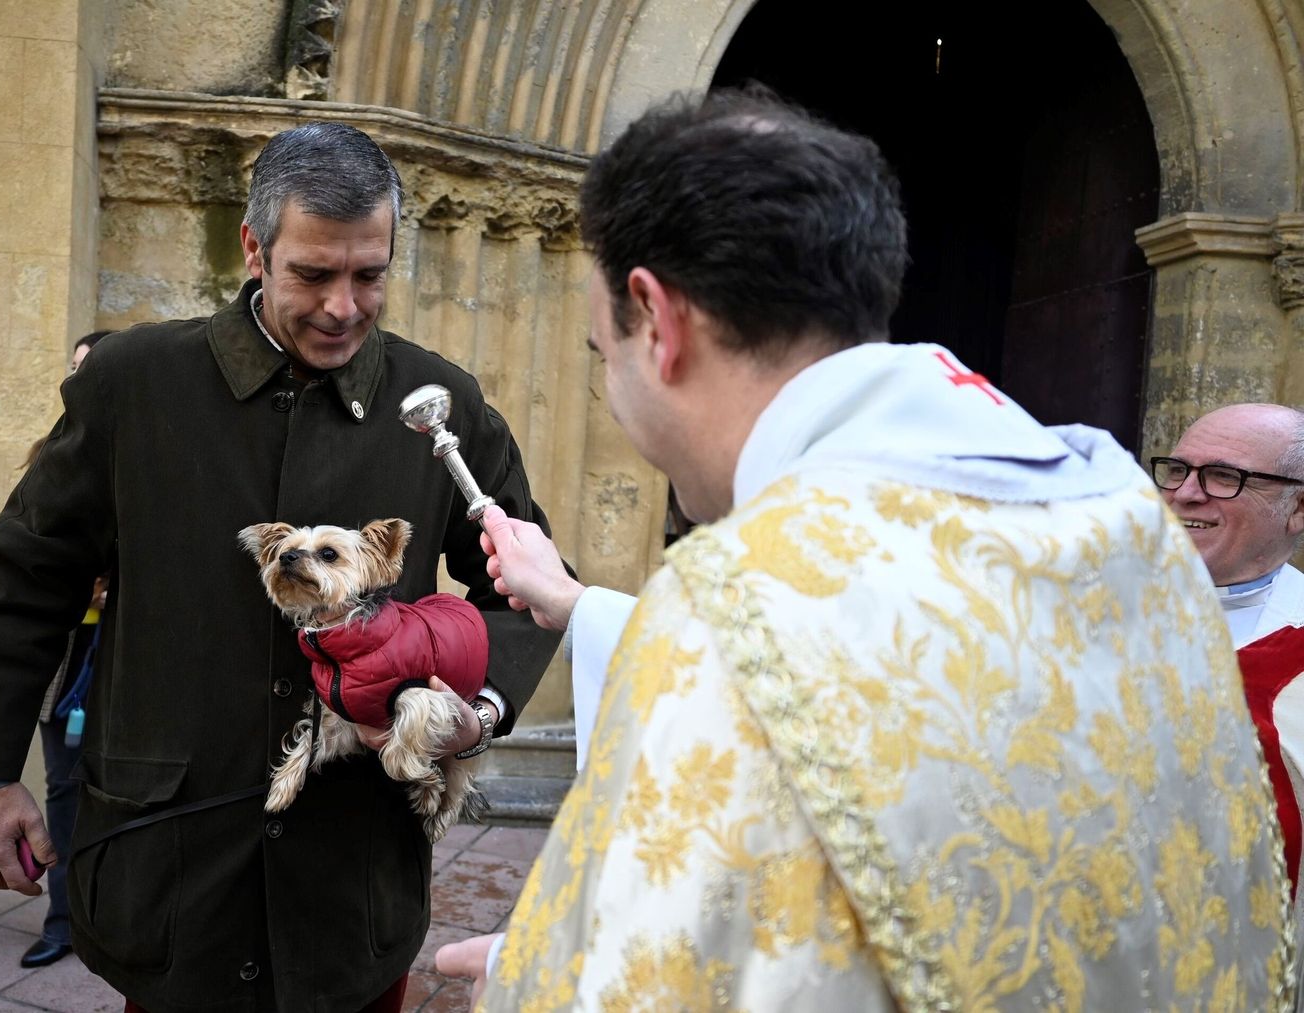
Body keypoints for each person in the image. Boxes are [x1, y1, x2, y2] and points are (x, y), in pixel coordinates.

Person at [436, 87, 1292, 1010]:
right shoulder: (1120, 516)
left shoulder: (735, 601)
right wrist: (576, 603)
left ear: (659, 319)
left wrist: (526, 980)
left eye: (606, 352)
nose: (613, 391)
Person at [0, 122, 561, 1012]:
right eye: (313, 273)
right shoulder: (133, 382)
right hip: (171, 866)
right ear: (254, 248)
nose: (344, 305)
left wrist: (480, 711)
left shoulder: (442, 404)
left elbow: (527, 585)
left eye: (370, 273)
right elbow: (24, 579)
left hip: (353, 877)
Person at [1155, 404, 1304, 898]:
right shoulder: (1078, 607)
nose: (1185, 494)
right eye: (1176, 471)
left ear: (1298, 509)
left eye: (1224, 476)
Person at [16, 329, 114, 970]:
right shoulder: (50, 454)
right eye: (72, 368)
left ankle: (120, 918)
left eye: (92, 369)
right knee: (64, 792)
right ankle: (64, 921)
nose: (78, 381)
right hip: (69, 660)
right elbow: (28, 558)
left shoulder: (160, 454)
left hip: (131, 652)